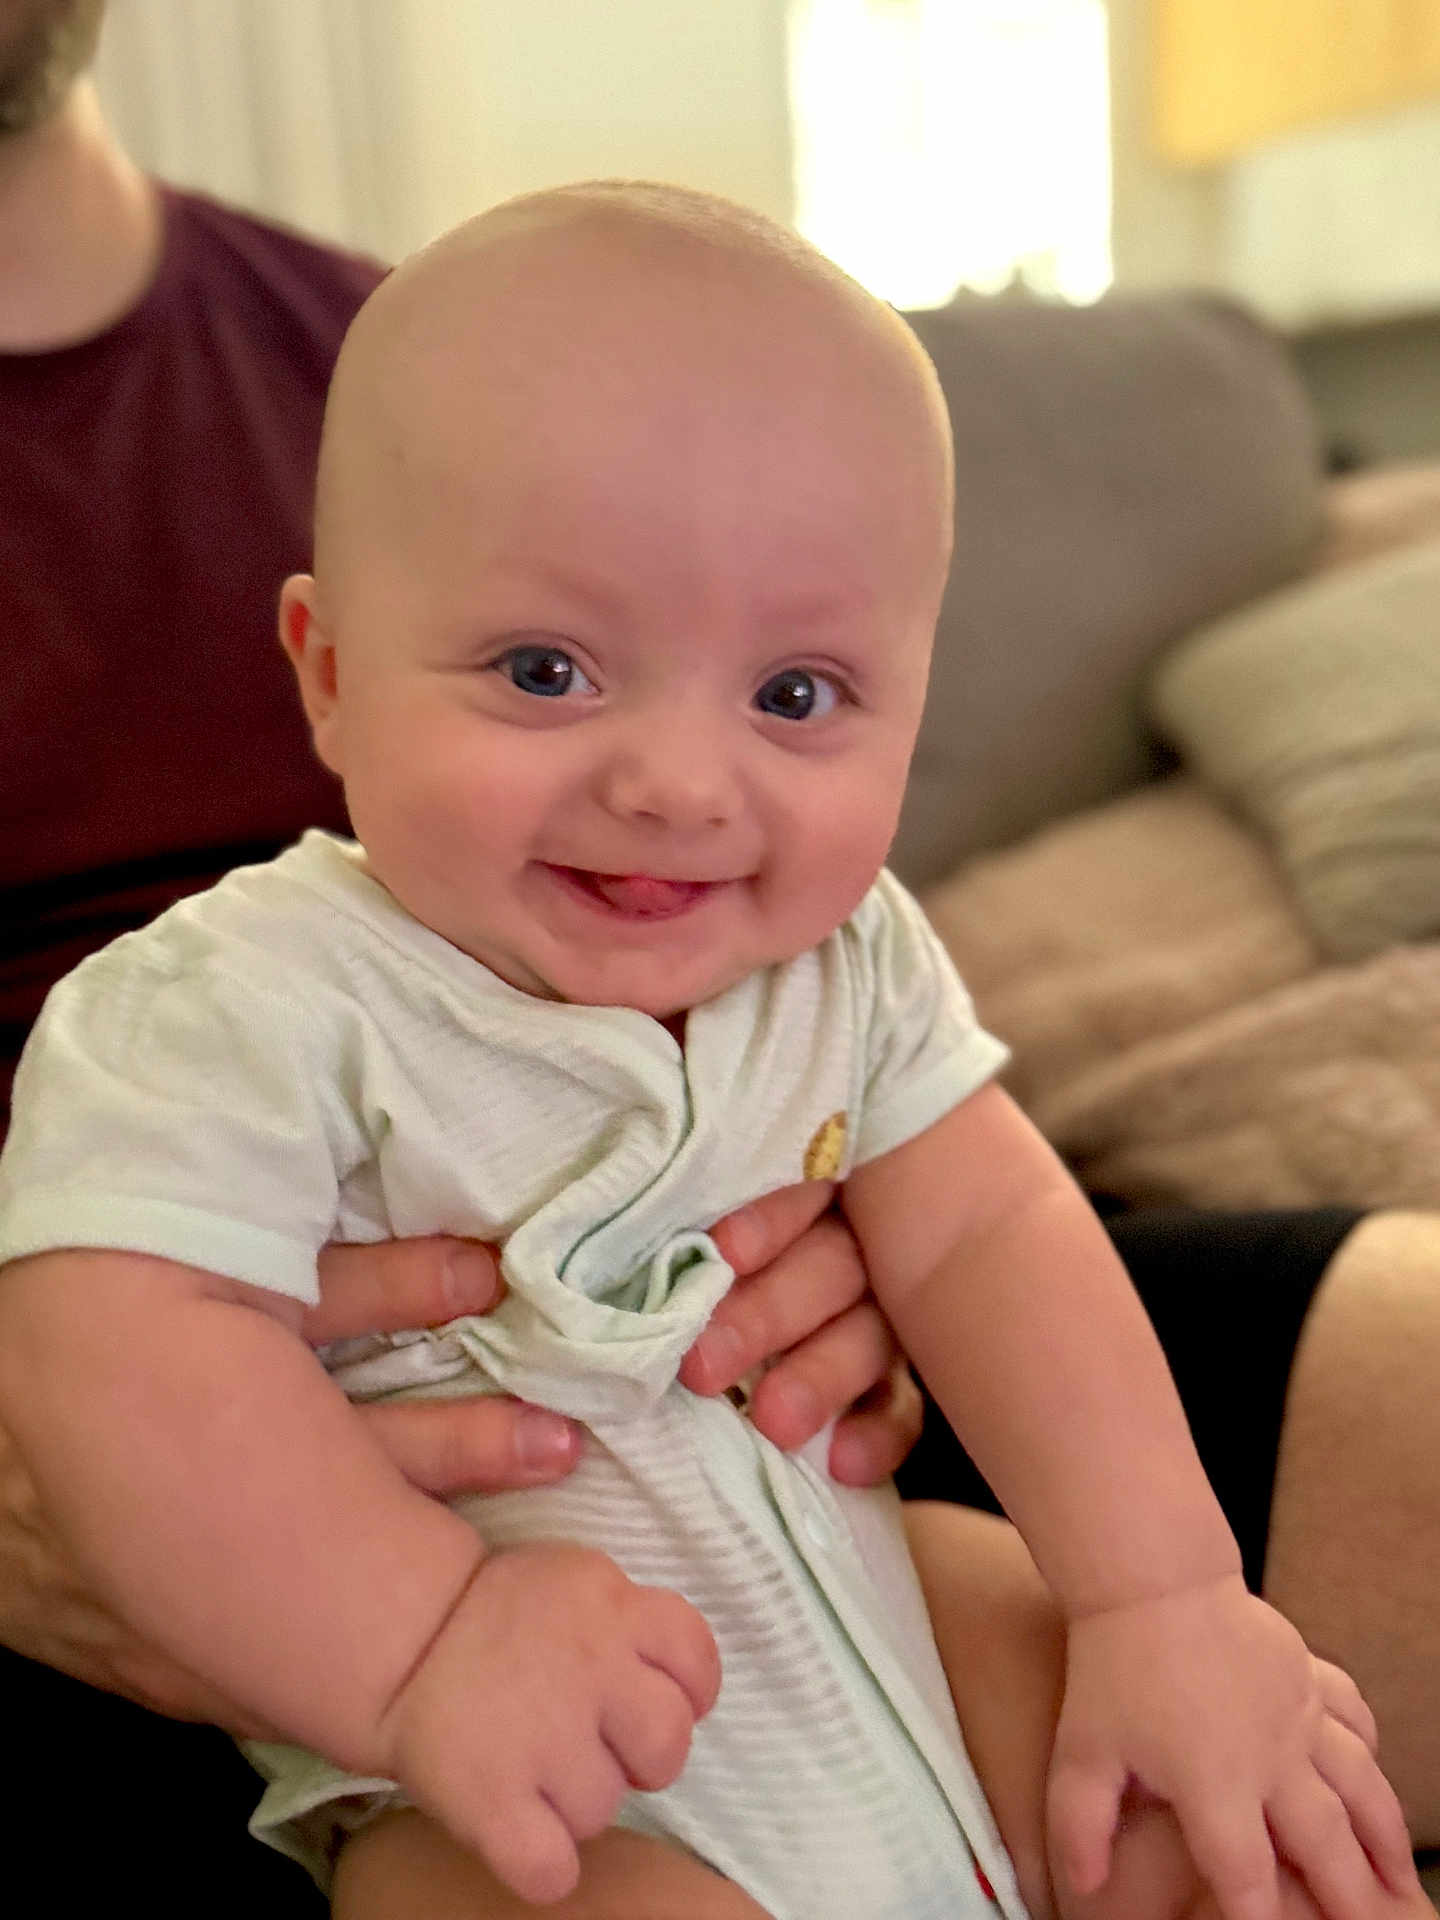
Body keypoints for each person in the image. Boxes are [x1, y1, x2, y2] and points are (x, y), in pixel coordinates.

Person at [4, 4, 1439, 1911]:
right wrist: (425, 1646)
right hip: (488, 1721)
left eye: (795, 694)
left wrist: (1166, 1591)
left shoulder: (838, 949)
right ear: (326, 673)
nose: (680, 784)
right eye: (544, 672)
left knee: (1229, 1799)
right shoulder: (233, 1009)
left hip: (859, 1570)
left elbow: (994, 1224)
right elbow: (114, 1344)